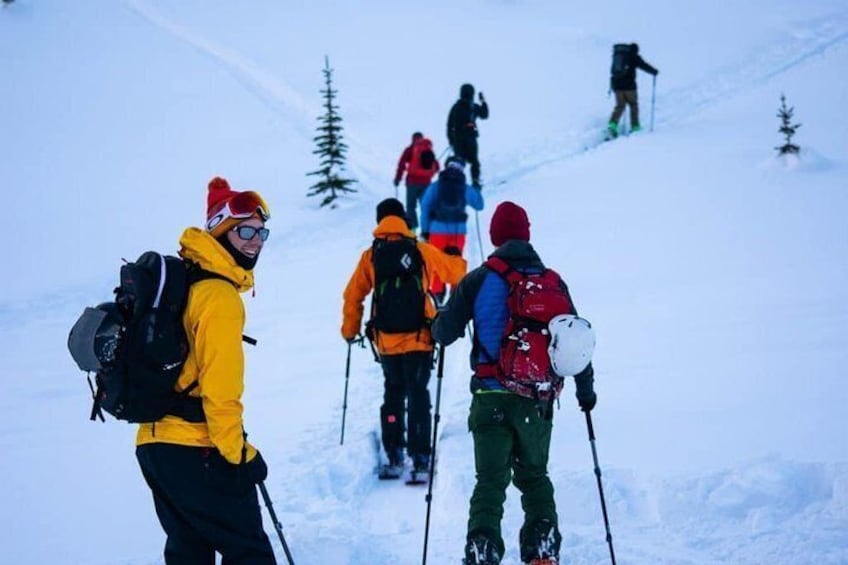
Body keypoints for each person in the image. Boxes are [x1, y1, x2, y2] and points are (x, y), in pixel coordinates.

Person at [432, 201, 597, 565]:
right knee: (535, 478)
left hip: (491, 399)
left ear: (494, 237)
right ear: (527, 235)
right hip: (536, 403)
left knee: (490, 483)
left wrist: (438, 320)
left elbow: (444, 333)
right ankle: (542, 552)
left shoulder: (478, 279)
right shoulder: (553, 282)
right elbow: (575, 342)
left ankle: (483, 553)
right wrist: (586, 393)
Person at [135, 177, 276, 564]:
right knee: (250, 554)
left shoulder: (188, 283)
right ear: (220, 230)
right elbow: (220, 391)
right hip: (197, 449)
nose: (256, 241)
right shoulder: (218, 296)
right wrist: (239, 455)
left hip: (156, 447)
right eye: (245, 230)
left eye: (262, 233)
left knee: (189, 553)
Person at [341, 198, 466, 479]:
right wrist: (455, 255)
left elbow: (353, 296)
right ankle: (421, 456)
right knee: (418, 392)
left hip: (386, 339)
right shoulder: (419, 249)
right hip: (420, 336)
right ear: (404, 220)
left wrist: (350, 331)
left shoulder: (371, 256)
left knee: (393, 392)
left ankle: (394, 452)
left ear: (379, 221)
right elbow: (455, 273)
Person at [419, 156, 484, 305]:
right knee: (455, 262)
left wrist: (425, 231)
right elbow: (479, 205)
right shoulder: (464, 187)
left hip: (437, 231)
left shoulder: (436, 186)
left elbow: (425, 206)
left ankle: (437, 297)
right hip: (457, 232)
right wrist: (476, 188)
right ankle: (455, 297)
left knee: (436, 263)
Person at [608, 42, 658, 138]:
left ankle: (612, 125)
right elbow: (643, 65)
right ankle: (635, 126)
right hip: (630, 86)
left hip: (617, 86)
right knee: (633, 105)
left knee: (620, 106)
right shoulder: (634, 56)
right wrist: (654, 71)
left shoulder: (618, 56)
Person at [393, 132, 441, 231]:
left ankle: (412, 229)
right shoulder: (428, 149)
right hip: (426, 183)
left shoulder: (410, 150)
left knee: (411, 206)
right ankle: (427, 230)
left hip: (412, 183)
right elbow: (437, 167)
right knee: (426, 206)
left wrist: (398, 178)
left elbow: (401, 164)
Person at [447, 83, 489, 187]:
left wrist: (451, 140)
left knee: (459, 161)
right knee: (474, 162)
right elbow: (485, 114)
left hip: (458, 139)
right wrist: (483, 101)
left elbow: (449, 125)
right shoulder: (473, 106)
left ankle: (455, 182)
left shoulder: (456, 107)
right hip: (471, 138)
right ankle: (475, 181)